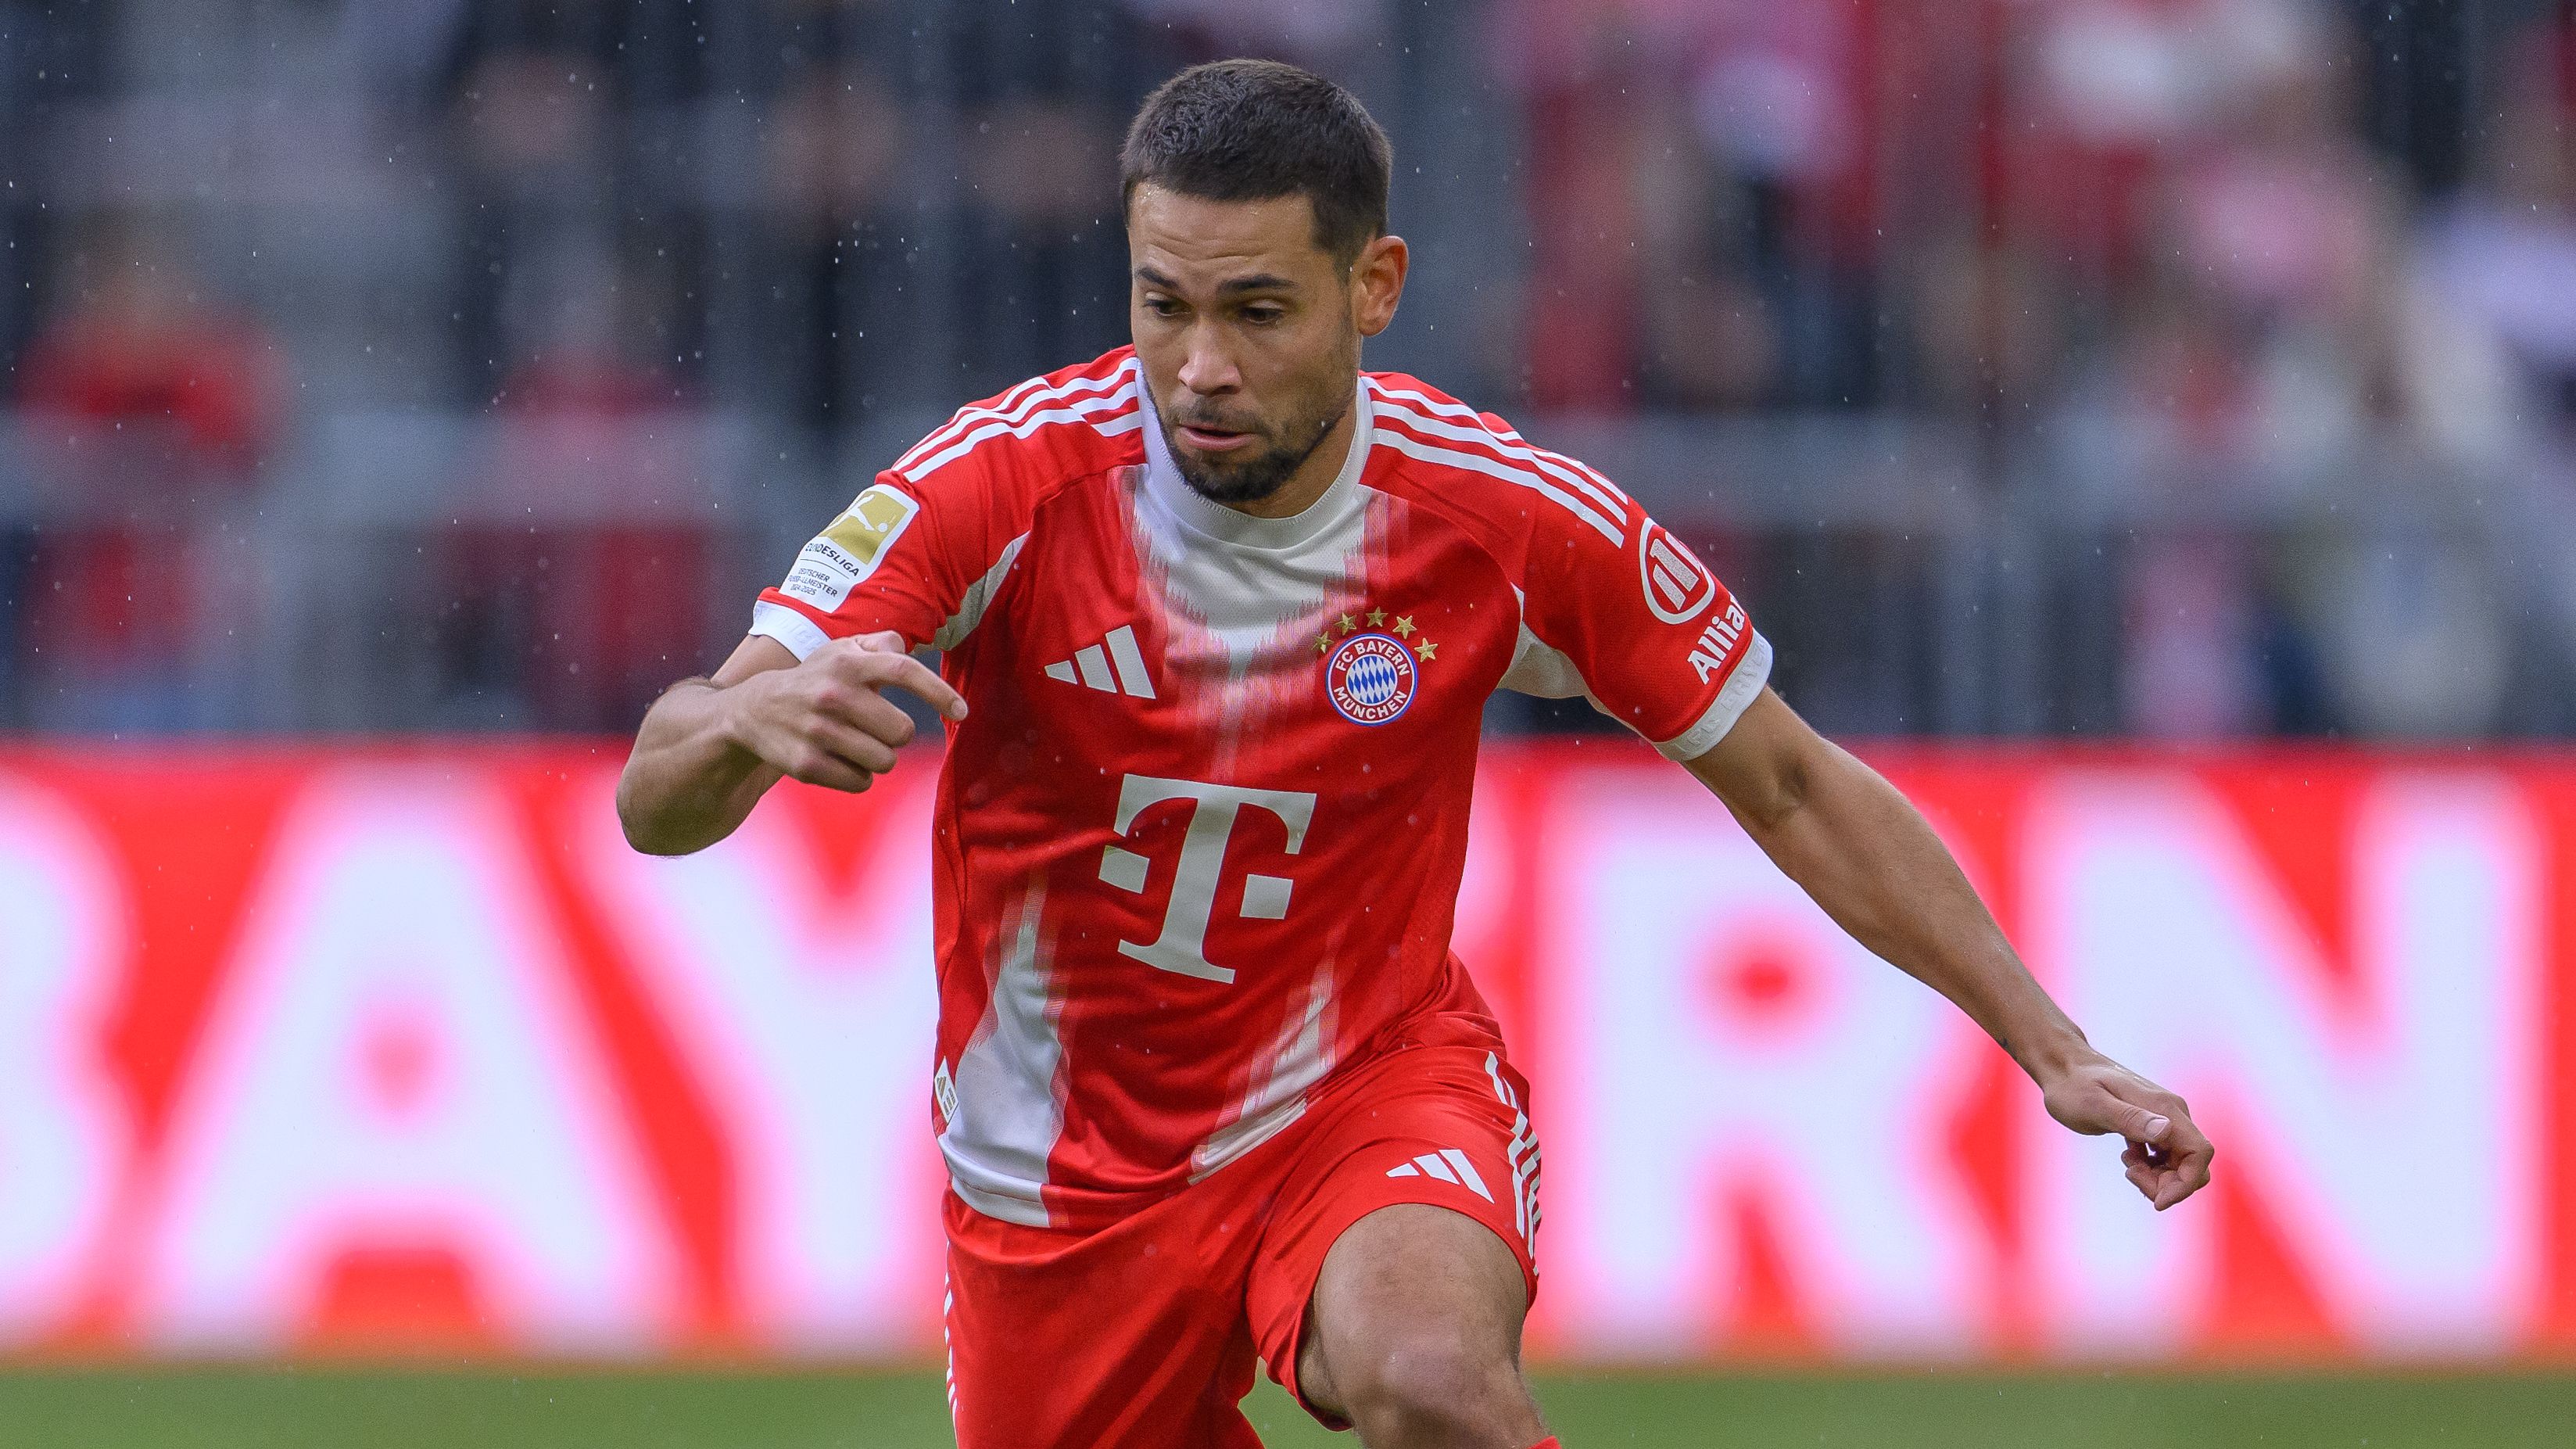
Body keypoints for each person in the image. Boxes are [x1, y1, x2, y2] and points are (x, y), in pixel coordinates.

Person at [617, 59, 2213, 1449]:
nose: (1200, 368)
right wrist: (736, 726)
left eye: (1257, 310)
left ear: (1371, 288)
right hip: (1056, 1182)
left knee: (1434, 1379)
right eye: (1161, 305)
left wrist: (2051, 1046)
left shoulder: (1502, 523)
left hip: (1359, 1097)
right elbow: (656, 797)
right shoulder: (997, 487)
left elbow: (1786, 779)